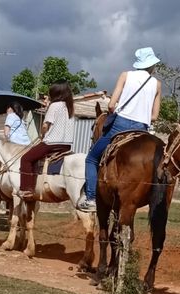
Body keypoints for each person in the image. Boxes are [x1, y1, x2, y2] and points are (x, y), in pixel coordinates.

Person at [77, 46, 162, 212]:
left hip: (120, 126)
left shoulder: (125, 75)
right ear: (152, 65)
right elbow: (154, 116)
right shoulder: (157, 84)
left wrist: (116, 110)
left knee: (92, 159)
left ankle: (91, 197)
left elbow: (110, 105)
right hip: (141, 129)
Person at [18, 80, 75, 199]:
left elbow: (45, 126)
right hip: (67, 145)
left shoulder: (54, 106)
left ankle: (26, 189)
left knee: (26, 159)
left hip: (51, 143)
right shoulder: (70, 107)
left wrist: (42, 134)